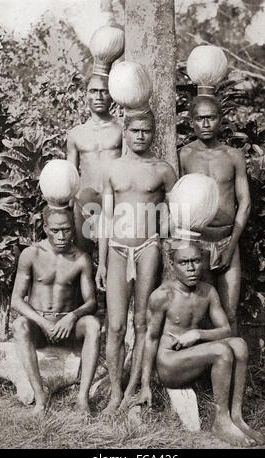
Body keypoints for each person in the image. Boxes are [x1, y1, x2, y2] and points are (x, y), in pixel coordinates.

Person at [137, 242, 264, 447]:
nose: (191, 268)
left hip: (194, 356)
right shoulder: (162, 295)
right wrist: (144, 385)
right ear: (172, 263)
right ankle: (221, 422)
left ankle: (236, 417)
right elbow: (150, 339)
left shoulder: (208, 291)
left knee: (239, 344)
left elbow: (226, 330)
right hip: (170, 365)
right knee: (221, 350)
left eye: (196, 261)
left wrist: (197, 334)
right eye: (184, 262)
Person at [96, 110, 177, 413]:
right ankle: (115, 392)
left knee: (142, 321)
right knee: (115, 325)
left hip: (148, 247)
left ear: (154, 133)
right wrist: (102, 263)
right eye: (135, 130)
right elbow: (105, 218)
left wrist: (168, 232)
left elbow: (172, 217)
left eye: (146, 131)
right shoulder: (112, 169)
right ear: (125, 132)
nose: (140, 136)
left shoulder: (164, 170)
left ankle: (135, 388)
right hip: (117, 248)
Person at [12, 206, 100, 415]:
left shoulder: (80, 258)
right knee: (19, 325)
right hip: (40, 326)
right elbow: (16, 300)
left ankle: (82, 399)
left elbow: (91, 302)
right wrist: (43, 322)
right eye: (55, 230)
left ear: (73, 229)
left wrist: (72, 316)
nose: (61, 236)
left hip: (67, 328)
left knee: (93, 325)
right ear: (45, 228)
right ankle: (40, 399)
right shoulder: (31, 254)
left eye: (67, 230)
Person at [179, 96, 251, 335]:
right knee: (199, 314)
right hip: (196, 241)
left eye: (211, 117)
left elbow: (245, 202)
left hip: (227, 239)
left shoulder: (233, 156)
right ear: (191, 122)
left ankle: (231, 368)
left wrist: (231, 245)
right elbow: (175, 200)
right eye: (200, 118)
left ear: (220, 120)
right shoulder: (184, 155)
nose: (206, 123)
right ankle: (202, 369)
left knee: (229, 312)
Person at [67, 74, 122, 252]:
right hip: (85, 202)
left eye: (104, 91)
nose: (98, 96)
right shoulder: (76, 134)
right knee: (84, 256)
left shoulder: (122, 129)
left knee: (115, 256)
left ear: (112, 96)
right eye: (93, 91)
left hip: (115, 202)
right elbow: (71, 173)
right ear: (86, 96)